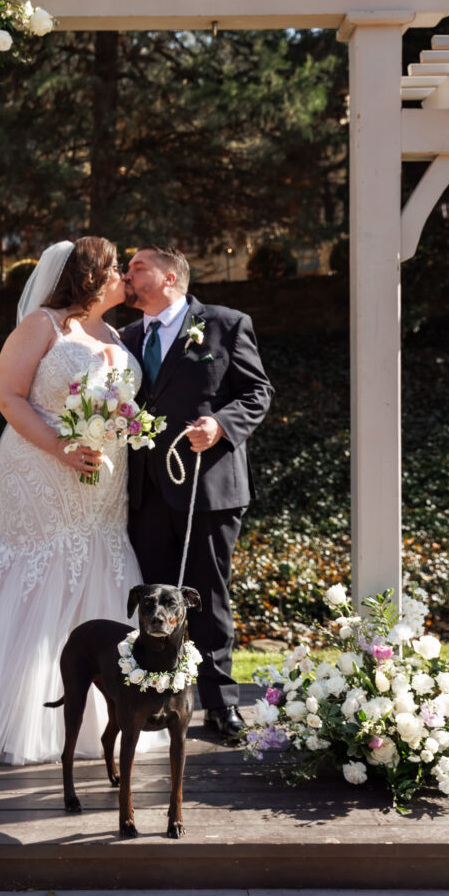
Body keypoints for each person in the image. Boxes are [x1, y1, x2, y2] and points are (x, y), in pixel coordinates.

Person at [0, 237, 150, 764]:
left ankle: (105, 713)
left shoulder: (115, 333)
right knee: (38, 566)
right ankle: (13, 710)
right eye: (115, 272)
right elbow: (5, 394)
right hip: (41, 469)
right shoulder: (44, 324)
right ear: (90, 277)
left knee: (98, 562)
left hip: (104, 482)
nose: (123, 280)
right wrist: (63, 449)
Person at [121, 246, 274, 739]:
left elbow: (257, 392)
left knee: (208, 597)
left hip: (208, 486)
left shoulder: (226, 325)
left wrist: (221, 425)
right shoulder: (126, 337)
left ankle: (221, 705)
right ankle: (160, 700)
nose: (126, 276)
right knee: (154, 602)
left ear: (169, 277)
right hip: (145, 490)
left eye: (136, 268)